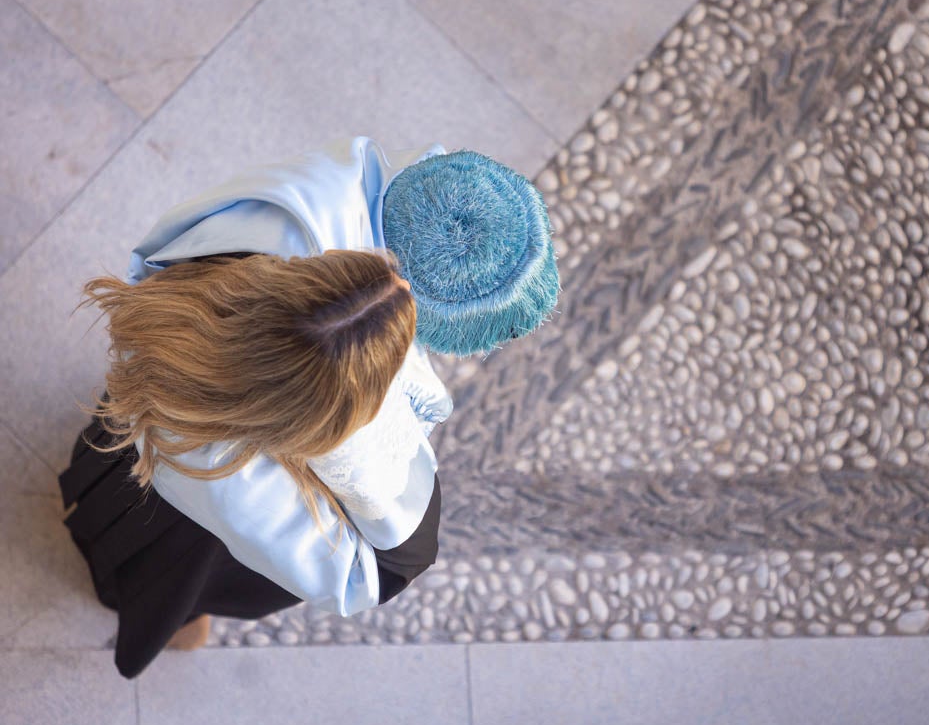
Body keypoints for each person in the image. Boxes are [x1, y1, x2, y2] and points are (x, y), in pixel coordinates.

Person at [60, 137, 558, 678]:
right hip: (190, 519)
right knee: (165, 566)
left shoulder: (308, 206)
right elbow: (368, 574)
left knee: (116, 461)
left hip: (163, 364)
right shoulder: (232, 474)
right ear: (311, 427)